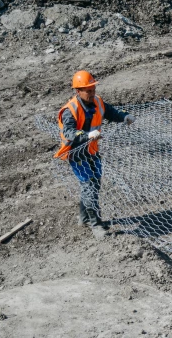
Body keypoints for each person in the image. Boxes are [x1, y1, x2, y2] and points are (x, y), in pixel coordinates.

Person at [54, 71, 135, 239]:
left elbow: (110, 112)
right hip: (75, 153)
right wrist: (85, 135)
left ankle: (84, 218)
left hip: (92, 151)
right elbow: (68, 131)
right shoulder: (70, 110)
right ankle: (96, 224)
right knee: (89, 187)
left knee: (95, 184)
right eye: (88, 90)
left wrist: (124, 117)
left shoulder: (97, 101)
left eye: (93, 89)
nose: (92, 93)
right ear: (78, 91)